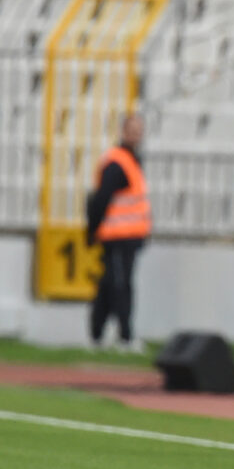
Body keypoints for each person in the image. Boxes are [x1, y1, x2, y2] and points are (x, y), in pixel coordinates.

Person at [86, 113, 150, 354]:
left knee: (109, 285)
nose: (136, 134)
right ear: (123, 131)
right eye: (132, 130)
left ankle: (97, 334)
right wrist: (92, 230)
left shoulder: (131, 160)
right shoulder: (117, 162)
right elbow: (100, 199)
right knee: (120, 286)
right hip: (117, 236)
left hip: (128, 236)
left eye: (139, 130)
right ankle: (125, 336)